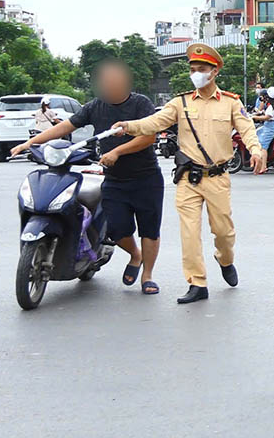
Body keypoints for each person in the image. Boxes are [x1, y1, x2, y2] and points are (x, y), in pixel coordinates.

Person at [112, 43, 265, 304]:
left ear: (214, 71)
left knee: (223, 233)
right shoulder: (179, 103)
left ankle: (225, 259)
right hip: (188, 179)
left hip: (217, 177)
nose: (196, 74)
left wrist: (256, 150)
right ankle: (197, 282)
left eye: (202, 69)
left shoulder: (230, 102)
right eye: (193, 69)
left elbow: (247, 128)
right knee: (189, 233)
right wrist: (128, 126)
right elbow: (154, 123)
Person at [11, 59, 164, 295]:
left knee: (149, 229)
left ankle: (147, 275)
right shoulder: (95, 106)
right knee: (115, 228)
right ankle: (135, 255)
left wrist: (117, 151)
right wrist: (30, 142)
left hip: (146, 178)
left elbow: (148, 137)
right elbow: (66, 127)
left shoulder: (140, 104)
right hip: (114, 179)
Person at [253, 87, 274, 167]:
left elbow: (267, 117)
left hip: (271, 127)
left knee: (263, 147)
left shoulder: (272, 106)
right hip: (269, 126)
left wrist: (254, 117)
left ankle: (263, 167)